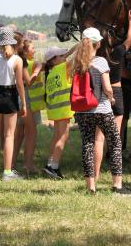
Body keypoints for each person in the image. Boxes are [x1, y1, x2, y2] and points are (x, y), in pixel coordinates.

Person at [72, 27, 131, 196]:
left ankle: (91, 188)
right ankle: (117, 185)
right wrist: (111, 98)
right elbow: (107, 88)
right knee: (115, 143)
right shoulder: (100, 61)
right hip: (102, 109)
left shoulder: (77, 62)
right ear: (97, 43)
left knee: (87, 144)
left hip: (83, 111)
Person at [94, 9, 131, 178]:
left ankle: (94, 174)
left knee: (99, 138)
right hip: (116, 92)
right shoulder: (117, 52)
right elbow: (130, 39)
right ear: (109, 39)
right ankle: (115, 172)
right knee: (115, 137)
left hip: (99, 93)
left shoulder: (95, 57)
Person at [0, 27, 27, 181]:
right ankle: (7, 172)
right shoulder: (17, 60)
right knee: (9, 136)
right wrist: (23, 103)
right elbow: (20, 84)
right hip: (10, 95)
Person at [43, 45, 76, 179]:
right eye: (62, 56)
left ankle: (50, 164)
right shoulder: (64, 68)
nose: (65, 57)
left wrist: (65, 54)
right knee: (63, 137)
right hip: (63, 110)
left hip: (55, 110)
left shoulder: (51, 72)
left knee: (56, 137)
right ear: (54, 60)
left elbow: (66, 57)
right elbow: (77, 58)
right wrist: (81, 45)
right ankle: (54, 167)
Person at [13, 39, 44, 175]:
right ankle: (28, 165)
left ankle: (11, 164)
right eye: (32, 47)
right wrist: (37, 70)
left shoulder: (14, 59)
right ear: (24, 50)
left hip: (16, 97)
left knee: (18, 134)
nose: (34, 50)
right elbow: (28, 82)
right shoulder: (22, 61)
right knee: (32, 132)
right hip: (24, 98)